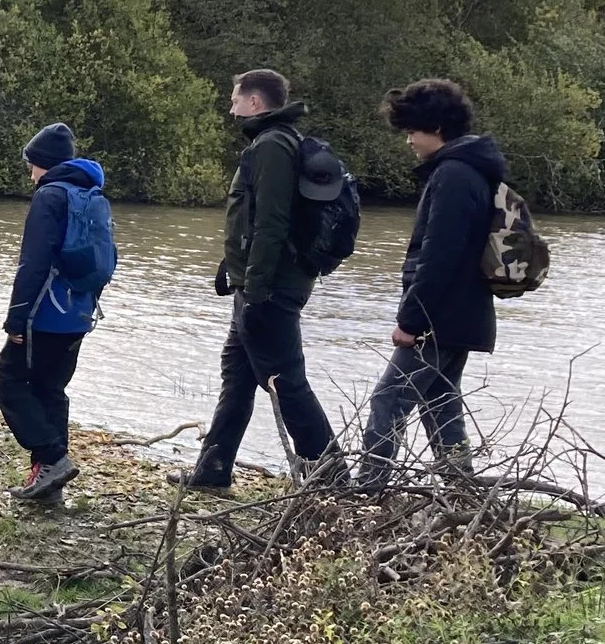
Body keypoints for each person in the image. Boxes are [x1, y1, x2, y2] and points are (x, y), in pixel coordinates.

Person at [179, 69, 339, 489]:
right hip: (254, 285)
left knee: (286, 382)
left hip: (270, 290)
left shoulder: (271, 146)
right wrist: (232, 270)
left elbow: (270, 223)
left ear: (254, 102)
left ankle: (331, 476)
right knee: (237, 378)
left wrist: (256, 292)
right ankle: (211, 472)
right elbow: (248, 223)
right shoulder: (272, 142)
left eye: (235, 98)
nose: (231, 106)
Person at [358, 78, 504, 488]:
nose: (408, 141)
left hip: (439, 318)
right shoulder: (472, 169)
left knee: (389, 398)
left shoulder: (454, 175)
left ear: (437, 128)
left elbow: (437, 258)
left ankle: (368, 490)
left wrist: (410, 321)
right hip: (463, 314)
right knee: (439, 402)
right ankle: (463, 492)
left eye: (412, 131)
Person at [0, 122, 105, 504]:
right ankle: (48, 484)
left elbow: (33, 263)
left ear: (43, 163)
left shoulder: (50, 196)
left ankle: (54, 460)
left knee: (9, 381)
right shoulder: (89, 193)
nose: (30, 174)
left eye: (32, 165)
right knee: (50, 388)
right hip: (79, 313)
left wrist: (16, 317)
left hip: (45, 312)